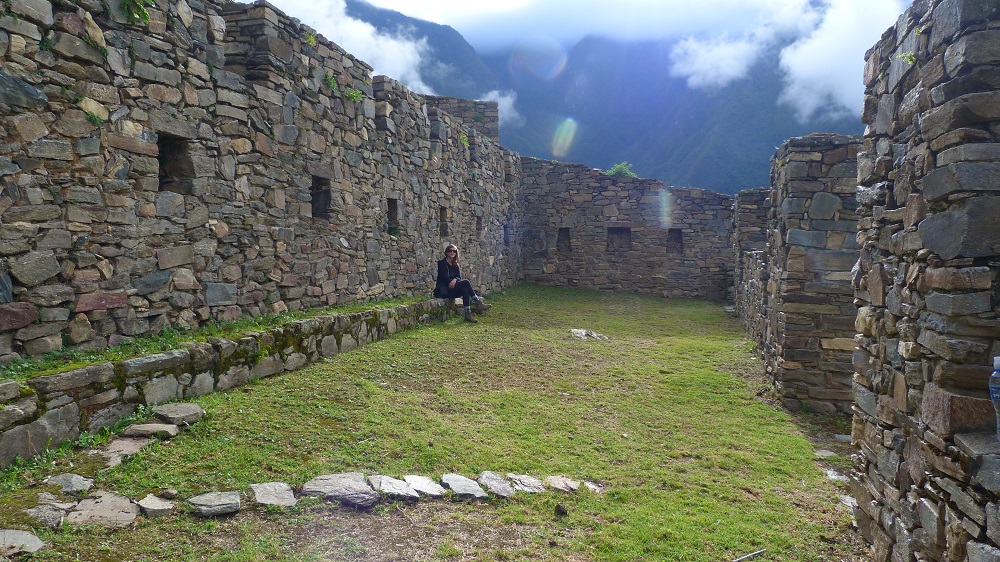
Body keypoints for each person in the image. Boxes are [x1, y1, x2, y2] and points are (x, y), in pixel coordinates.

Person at [434, 244, 491, 323]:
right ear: (446, 252)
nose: (452, 252)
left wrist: (455, 280)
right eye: (450, 251)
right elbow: (444, 277)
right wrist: (452, 281)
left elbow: (459, 278)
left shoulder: (455, 265)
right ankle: (478, 302)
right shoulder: (441, 263)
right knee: (466, 282)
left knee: (465, 290)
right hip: (443, 290)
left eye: (454, 251)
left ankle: (468, 314)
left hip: (452, 289)